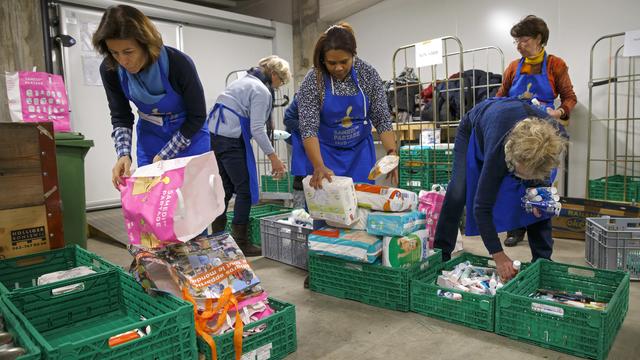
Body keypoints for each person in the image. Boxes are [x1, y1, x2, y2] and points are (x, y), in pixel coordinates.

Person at [433, 98, 567, 281]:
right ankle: (441, 254)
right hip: (475, 125)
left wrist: (538, 191)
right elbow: (481, 207)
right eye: (518, 173)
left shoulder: (555, 135)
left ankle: (543, 259)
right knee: (459, 190)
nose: (521, 179)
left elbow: (539, 196)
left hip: (512, 118)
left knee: (539, 198)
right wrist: (498, 255)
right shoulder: (498, 149)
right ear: (510, 156)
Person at [93, 5, 210, 189]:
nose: (122, 61)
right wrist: (123, 154)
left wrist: (164, 155)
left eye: (128, 52)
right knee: (151, 200)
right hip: (151, 136)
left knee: (192, 203)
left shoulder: (178, 63)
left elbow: (197, 116)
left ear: (145, 44)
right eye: (115, 53)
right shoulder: (110, 69)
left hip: (189, 135)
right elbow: (121, 116)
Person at [496, 15, 576, 247]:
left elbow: (570, 98)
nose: (519, 45)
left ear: (539, 39)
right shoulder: (513, 67)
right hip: (516, 132)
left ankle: (540, 239)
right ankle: (515, 228)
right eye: (517, 41)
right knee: (513, 180)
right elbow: (501, 95)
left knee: (540, 183)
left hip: (544, 132)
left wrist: (558, 113)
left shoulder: (555, 65)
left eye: (524, 40)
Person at [296, 23, 397, 189]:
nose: (338, 68)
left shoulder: (368, 74)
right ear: (323, 60)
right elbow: (308, 129)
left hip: (360, 154)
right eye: (331, 63)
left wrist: (391, 153)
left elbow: (381, 118)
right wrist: (318, 165)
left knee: (361, 204)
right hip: (324, 154)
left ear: (353, 55)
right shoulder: (314, 80)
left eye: (344, 61)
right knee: (326, 208)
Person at [208, 56, 291, 256]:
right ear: (273, 74)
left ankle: (217, 239)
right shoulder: (261, 90)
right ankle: (241, 242)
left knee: (224, 190)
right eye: (280, 81)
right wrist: (274, 158)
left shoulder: (242, 81)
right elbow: (257, 129)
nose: (278, 87)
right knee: (244, 190)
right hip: (230, 141)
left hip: (214, 138)